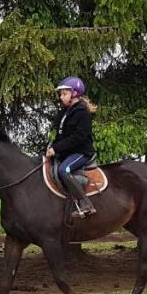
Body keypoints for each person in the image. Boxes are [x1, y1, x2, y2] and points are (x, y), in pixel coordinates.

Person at [46, 76, 97, 218]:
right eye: (61, 94)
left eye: (64, 94)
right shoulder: (66, 112)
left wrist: (57, 149)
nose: (61, 97)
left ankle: (85, 203)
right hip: (68, 152)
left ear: (74, 94)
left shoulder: (82, 112)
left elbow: (78, 137)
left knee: (64, 170)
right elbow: (61, 134)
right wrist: (53, 147)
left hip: (81, 152)